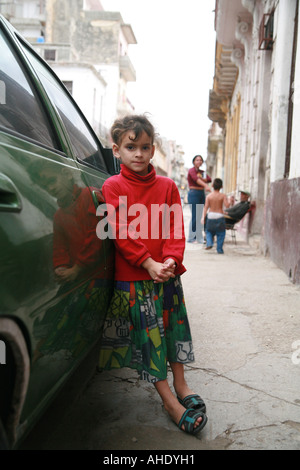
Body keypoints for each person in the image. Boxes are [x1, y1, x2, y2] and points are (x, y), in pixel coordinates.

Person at [98, 114, 207, 436]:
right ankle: (168, 399)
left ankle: (182, 384)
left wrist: (171, 260)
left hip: (167, 275)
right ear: (116, 149)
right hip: (135, 277)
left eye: (145, 147)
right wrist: (148, 263)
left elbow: (176, 227)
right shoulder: (112, 186)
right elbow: (118, 230)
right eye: (131, 147)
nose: (139, 154)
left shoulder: (167, 186)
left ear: (153, 149)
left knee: (172, 330)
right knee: (150, 340)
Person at [201, 178, 230, 254]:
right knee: (221, 233)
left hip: (210, 216)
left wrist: (203, 218)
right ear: (222, 187)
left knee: (209, 231)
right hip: (219, 215)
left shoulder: (209, 196)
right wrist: (230, 201)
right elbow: (227, 206)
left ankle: (209, 243)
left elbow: (206, 208)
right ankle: (219, 249)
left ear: (212, 185)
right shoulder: (223, 196)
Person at [187, 155, 211, 244]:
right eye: (197, 160)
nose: (199, 161)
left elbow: (209, 179)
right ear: (194, 162)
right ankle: (191, 237)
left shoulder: (202, 172)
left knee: (201, 216)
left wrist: (202, 177)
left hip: (201, 194)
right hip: (194, 194)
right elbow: (196, 179)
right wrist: (205, 185)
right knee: (195, 215)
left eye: (200, 160)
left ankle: (199, 237)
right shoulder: (191, 170)